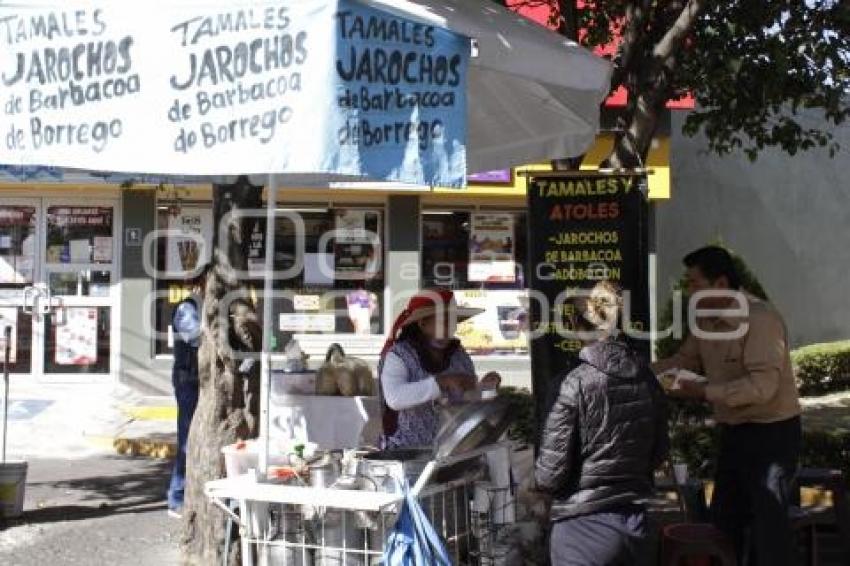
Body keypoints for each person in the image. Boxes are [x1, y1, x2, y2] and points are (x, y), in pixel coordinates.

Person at [653, 246, 801, 566]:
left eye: (694, 283)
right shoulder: (707, 319)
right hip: (734, 431)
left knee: (768, 528)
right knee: (725, 520)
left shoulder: (761, 319)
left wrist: (705, 392)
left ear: (720, 284)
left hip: (772, 434)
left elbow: (762, 388)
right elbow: (683, 360)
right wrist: (637, 372)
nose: (688, 291)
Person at [535, 281, 669, 566]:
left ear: (573, 324)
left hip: (581, 530)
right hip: (637, 526)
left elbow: (549, 475)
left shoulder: (570, 385)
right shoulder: (647, 379)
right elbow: (659, 453)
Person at [378, 288, 501, 449]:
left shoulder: (458, 353)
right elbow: (394, 398)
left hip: (452, 449)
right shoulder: (399, 355)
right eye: (444, 323)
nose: (450, 331)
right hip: (408, 451)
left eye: (453, 324)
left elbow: (467, 397)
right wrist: (440, 383)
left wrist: (483, 387)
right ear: (423, 324)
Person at [166, 264, 208, 518]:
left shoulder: (202, 308)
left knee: (198, 437)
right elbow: (196, 338)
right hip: (189, 380)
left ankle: (189, 493)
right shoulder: (187, 309)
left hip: (199, 380)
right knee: (187, 439)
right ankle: (176, 497)